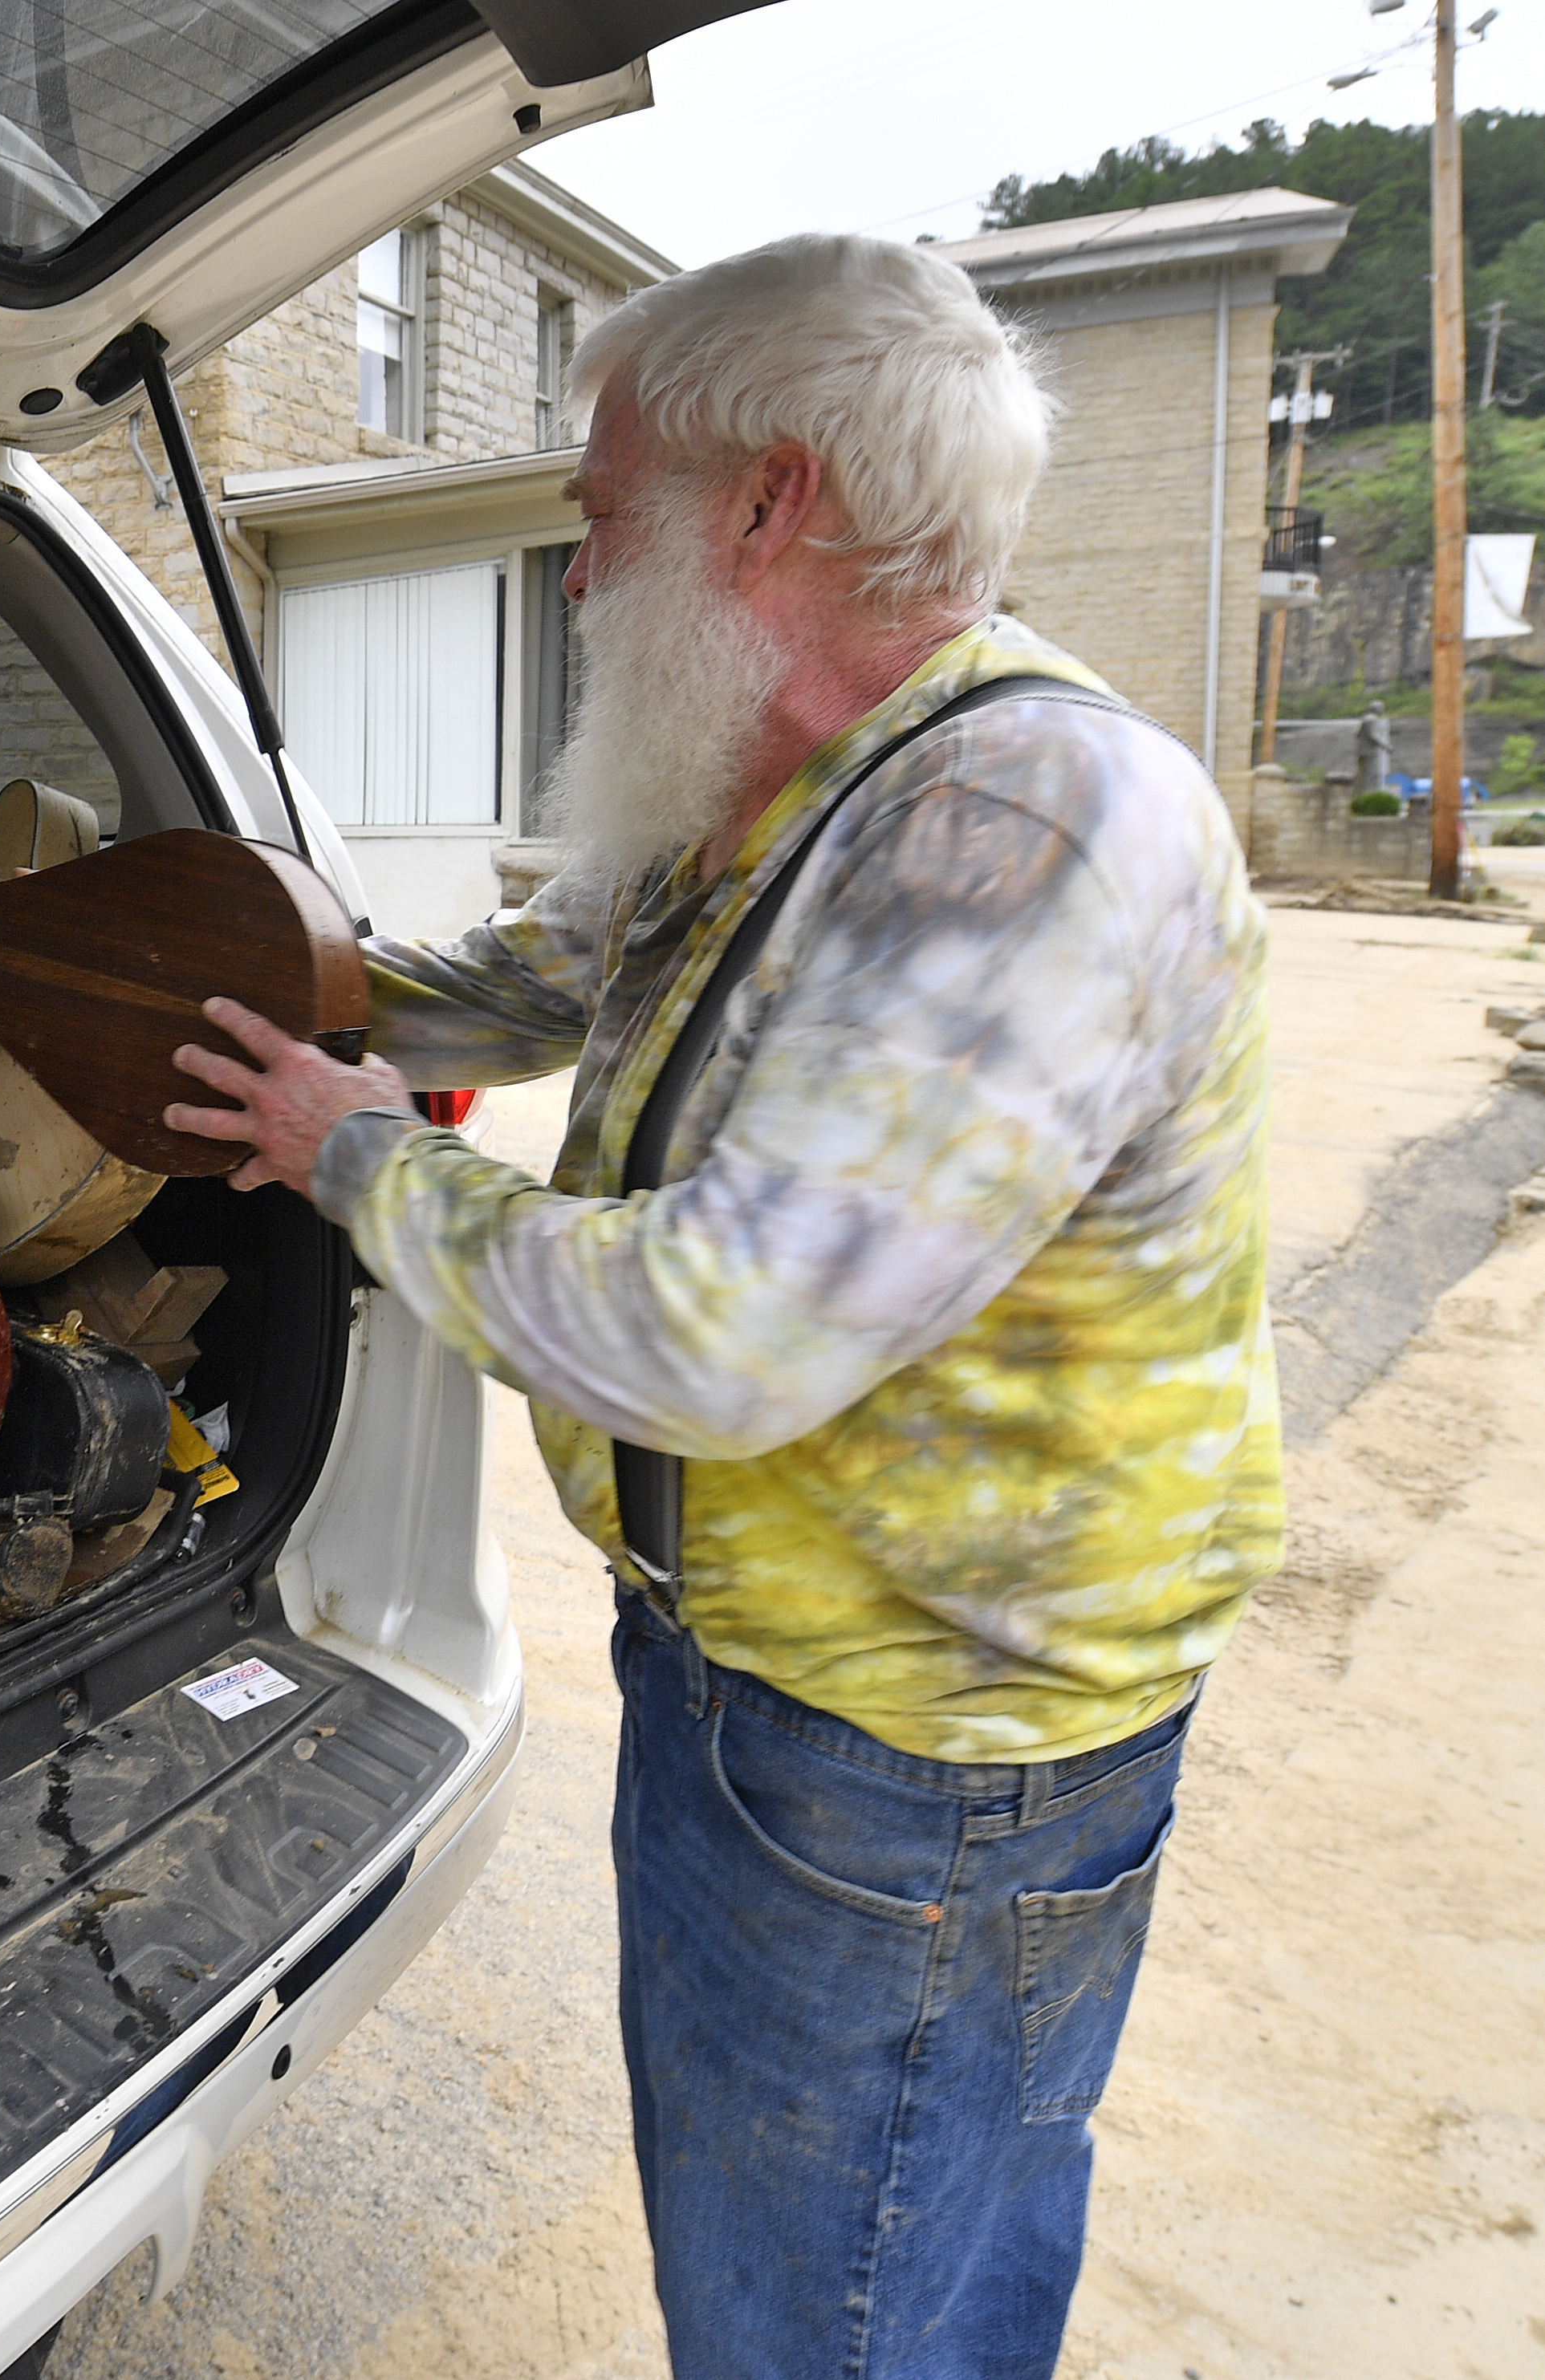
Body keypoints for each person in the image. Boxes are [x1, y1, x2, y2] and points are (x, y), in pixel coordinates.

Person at [169, 234, 1275, 2379]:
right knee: (841, 2256)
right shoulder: (780, 792)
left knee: (842, 2314)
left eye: (597, 522)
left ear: (766, 505)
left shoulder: (1020, 823)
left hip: (924, 1754)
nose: (578, 582)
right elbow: (497, 980)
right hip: (770, 1685)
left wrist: (350, 1150)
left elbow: (718, 1337)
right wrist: (176, 966)